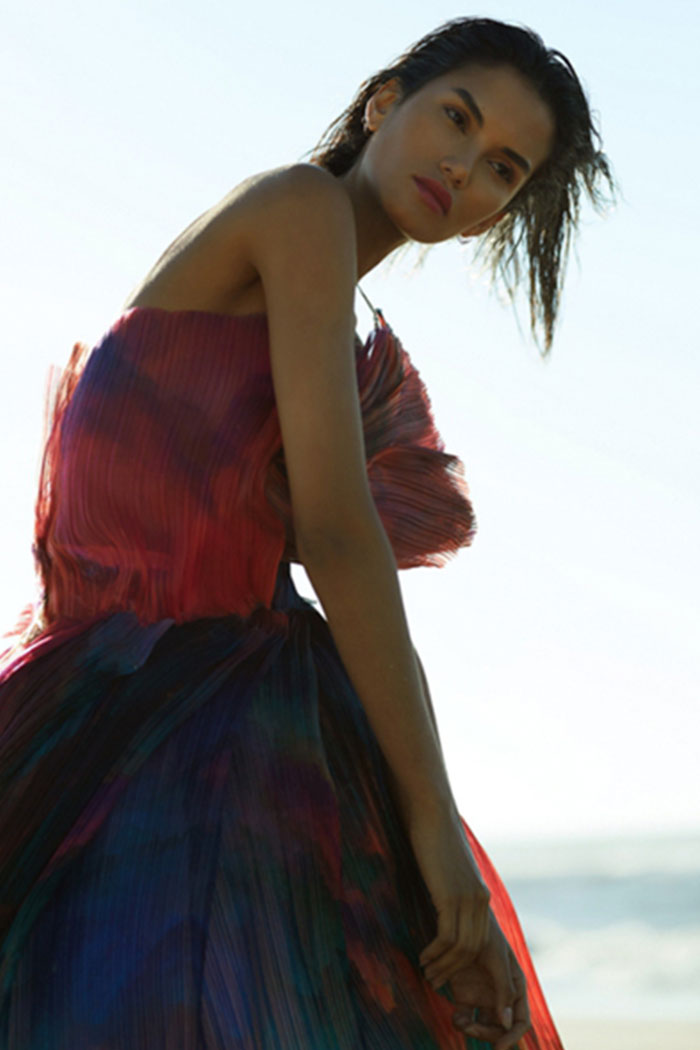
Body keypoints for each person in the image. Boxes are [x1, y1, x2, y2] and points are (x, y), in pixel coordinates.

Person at [0, 16, 612, 1050]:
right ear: (384, 103)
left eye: (503, 168)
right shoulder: (300, 209)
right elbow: (336, 534)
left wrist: (430, 824)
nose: (464, 167)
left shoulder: (340, 322)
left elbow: (332, 541)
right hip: (159, 721)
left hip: (198, 718)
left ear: (495, 215)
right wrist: (433, 832)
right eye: (455, 118)